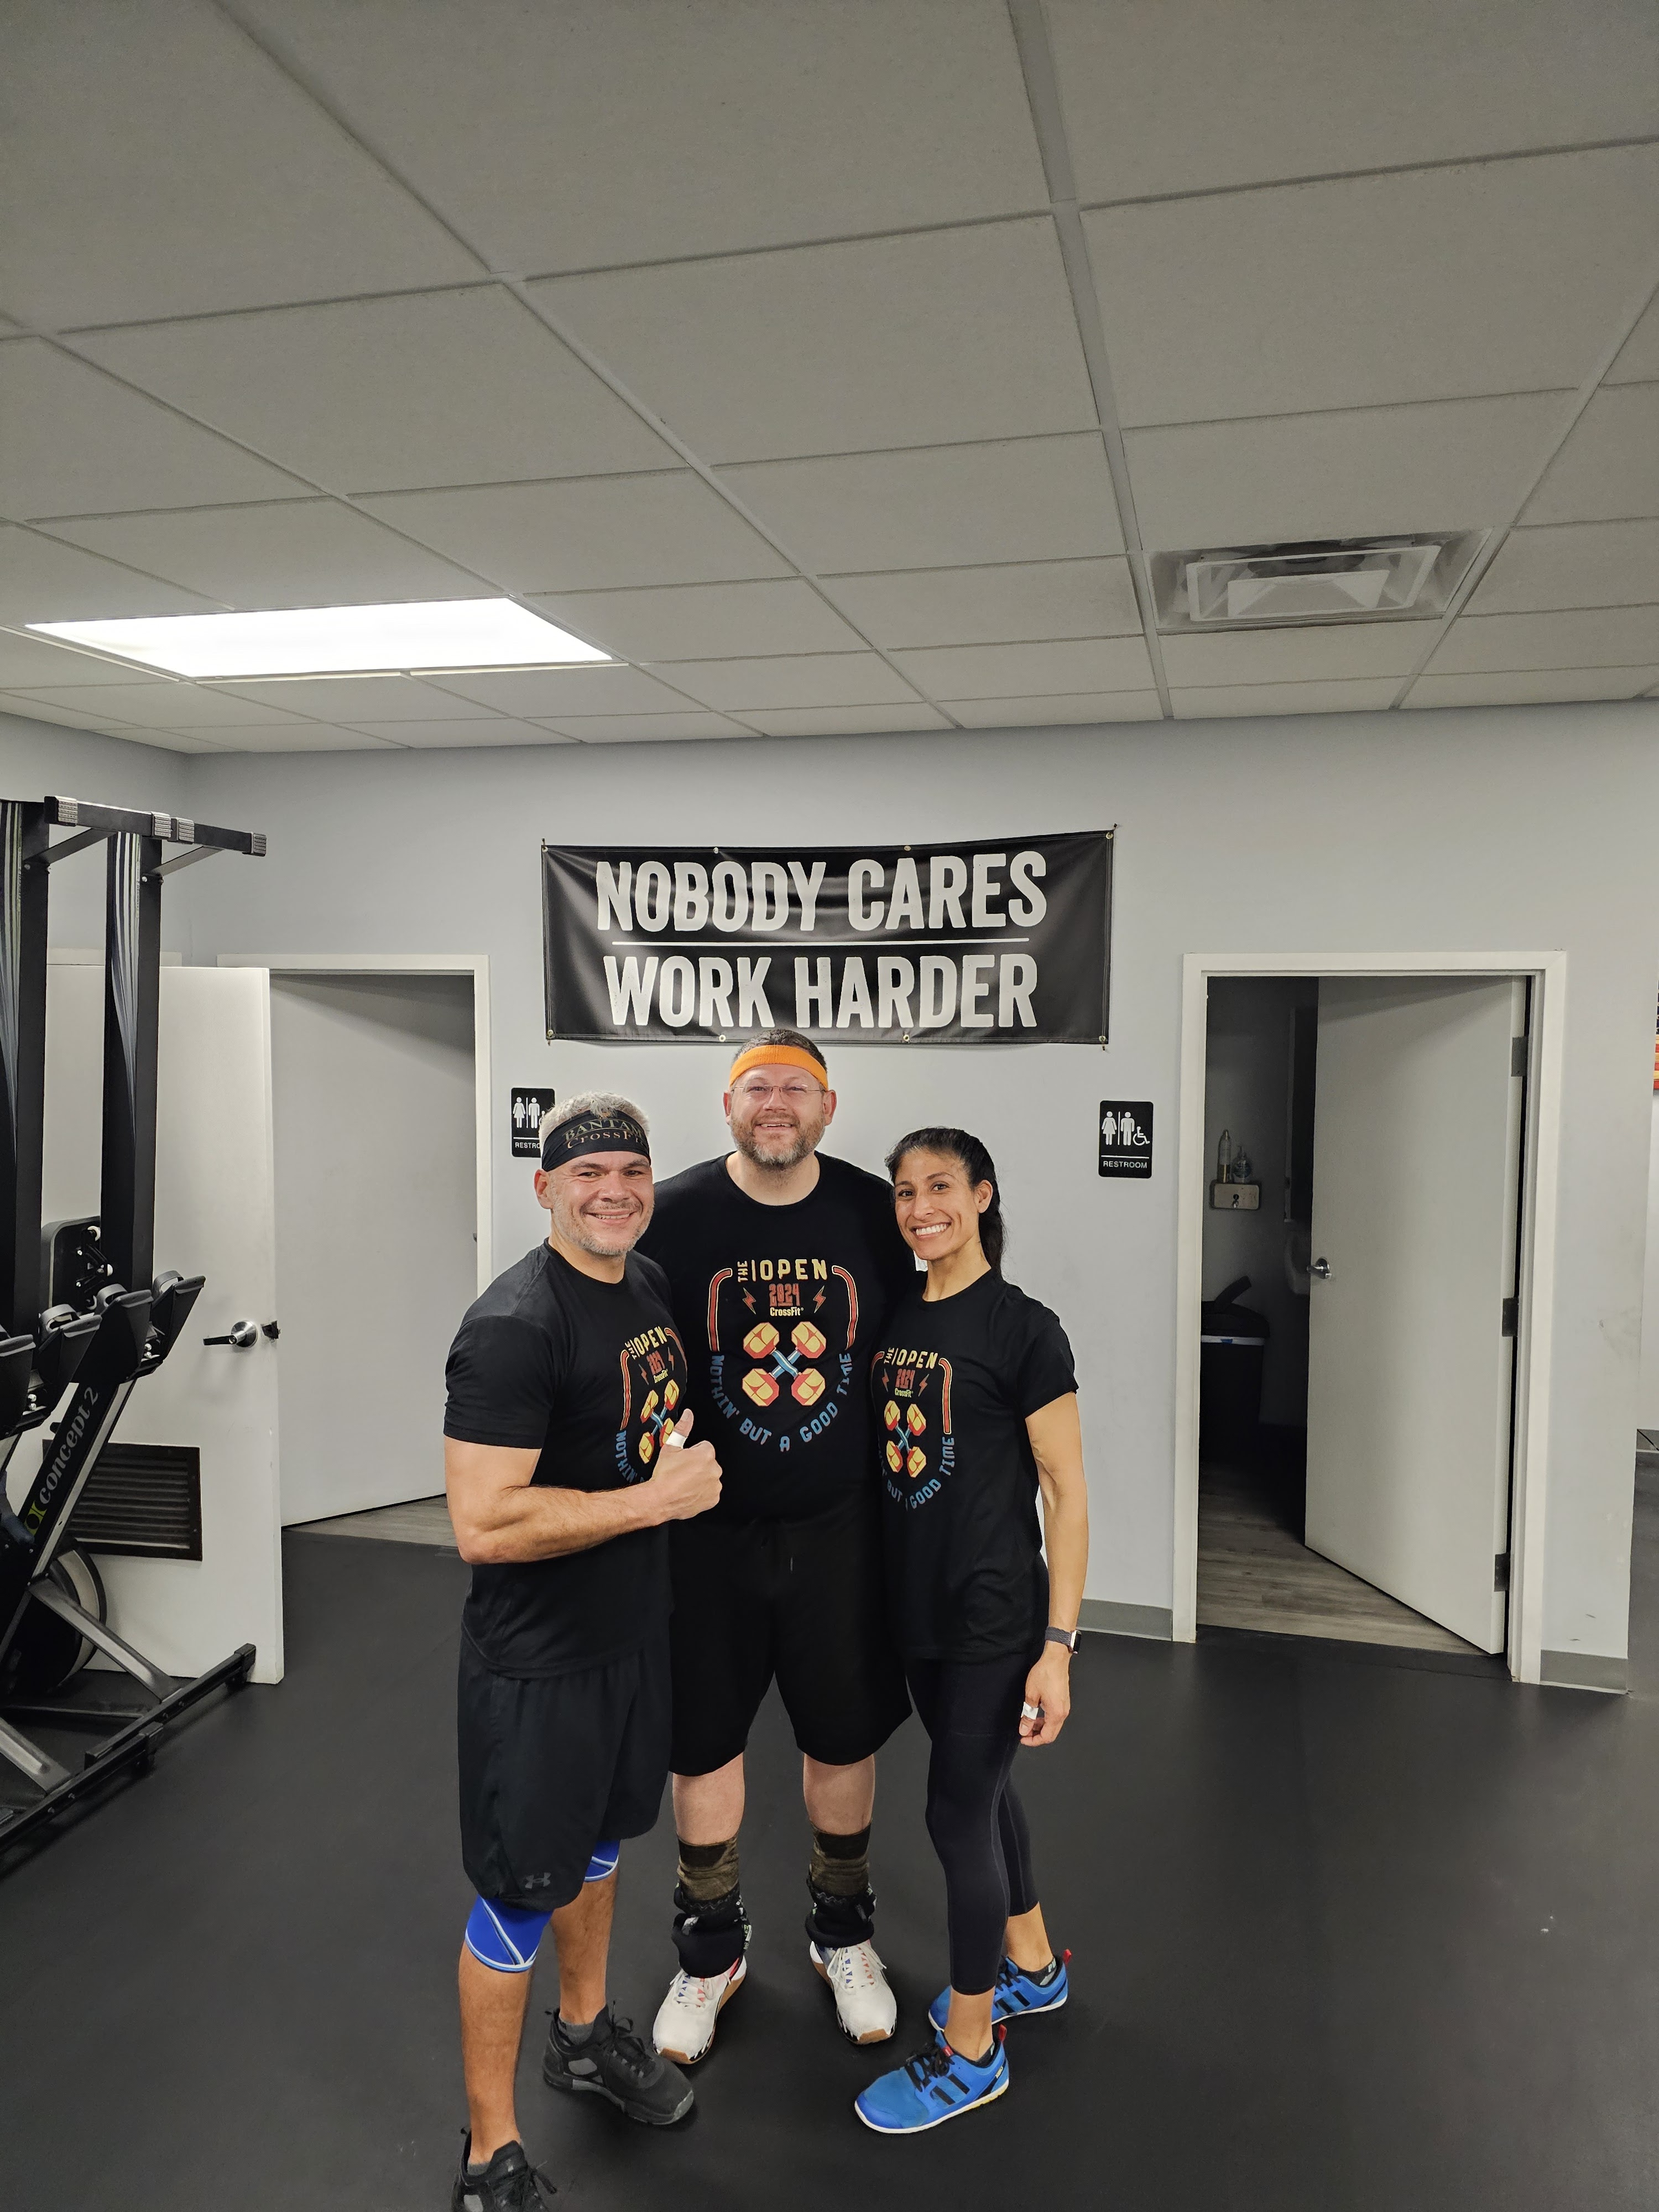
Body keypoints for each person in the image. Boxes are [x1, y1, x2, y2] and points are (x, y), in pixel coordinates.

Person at [443, 1093, 723, 2211]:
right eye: (587, 1173)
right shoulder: (514, 1326)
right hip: (540, 1666)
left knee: (602, 1848)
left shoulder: (643, 1284)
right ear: (545, 1187)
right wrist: (654, 1501)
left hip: (630, 1638)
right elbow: (483, 1523)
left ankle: (583, 2034)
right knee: (519, 1896)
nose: (614, 1190)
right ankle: (490, 2154)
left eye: (630, 1170)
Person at [637, 1029, 916, 2062]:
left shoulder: (873, 1214)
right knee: (704, 1744)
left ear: (828, 1109)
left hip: (840, 1528)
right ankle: (711, 1951)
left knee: (842, 1738)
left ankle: (843, 1934)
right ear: (728, 1106)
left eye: (797, 1088)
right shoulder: (671, 1213)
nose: (776, 1104)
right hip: (706, 1534)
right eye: (757, 1088)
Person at [853, 1127, 1089, 2136]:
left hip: (994, 1618)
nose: (921, 1208)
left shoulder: (1025, 1330)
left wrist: (1059, 1647)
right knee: (987, 1794)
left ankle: (972, 2051)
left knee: (956, 1817)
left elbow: (1066, 1494)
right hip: (917, 1613)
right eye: (906, 1191)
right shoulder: (897, 1314)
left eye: (941, 1186)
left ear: (983, 1196)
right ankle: (1031, 1967)